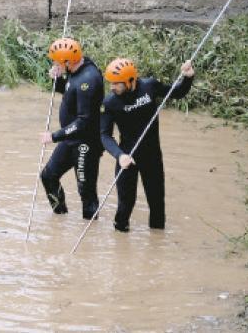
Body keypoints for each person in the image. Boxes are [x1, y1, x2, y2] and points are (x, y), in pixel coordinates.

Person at [100, 58, 195, 232]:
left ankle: (157, 244)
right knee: (125, 205)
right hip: (127, 158)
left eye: (116, 84)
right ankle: (120, 243)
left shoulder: (149, 86)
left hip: (152, 156)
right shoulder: (110, 102)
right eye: (110, 83)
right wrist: (119, 155)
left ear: (130, 81)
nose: (112, 88)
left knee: (157, 203)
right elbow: (105, 135)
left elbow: (178, 92)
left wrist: (188, 78)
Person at [39, 38, 105, 219]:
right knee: (48, 176)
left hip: (86, 143)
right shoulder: (77, 69)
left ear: (69, 61)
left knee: (86, 191)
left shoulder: (88, 80)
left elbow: (84, 121)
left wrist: (54, 136)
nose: (54, 64)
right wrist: (58, 79)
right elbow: (69, 92)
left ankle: (90, 232)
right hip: (71, 139)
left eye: (57, 62)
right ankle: (60, 217)